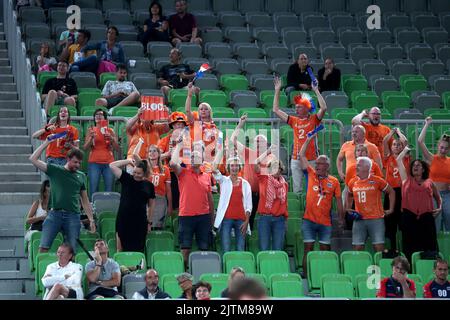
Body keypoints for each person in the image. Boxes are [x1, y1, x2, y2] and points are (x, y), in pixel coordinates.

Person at [29, 143, 96, 253]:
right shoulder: (55, 170)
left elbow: (85, 200)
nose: (78, 165)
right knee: (43, 247)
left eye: (79, 162)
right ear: (67, 159)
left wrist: (91, 219)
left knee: (72, 250)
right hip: (54, 214)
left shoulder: (81, 176)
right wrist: (46, 142)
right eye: (75, 162)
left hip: (73, 216)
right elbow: (33, 159)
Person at [273, 76, 327, 194]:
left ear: (307, 108)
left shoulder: (314, 119)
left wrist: (316, 90)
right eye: (295, 107)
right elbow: (276, 110)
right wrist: (277, 90)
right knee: (297, 190)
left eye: (299, 107)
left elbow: (323, 108)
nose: (296, 110)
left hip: (312, 159)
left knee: (313, 189)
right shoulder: (293, 120)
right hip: (296, 159)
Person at [299, 133, 344, 276]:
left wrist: (341, 218)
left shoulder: (334, 181)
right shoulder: (311, 174)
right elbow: (301, 155)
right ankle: (306, 277)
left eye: (319, 163)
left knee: (325, 250)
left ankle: (327, 274)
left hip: (325, 222)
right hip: (309, 220)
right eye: (316, 163)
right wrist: (308, 140)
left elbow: (338, 201)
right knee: (308, 249)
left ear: (327, 166)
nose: (316, 165)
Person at [170, 137, 214, 266]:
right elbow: (172, 163)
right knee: (185, 249)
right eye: (193, 156)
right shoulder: (183, 172)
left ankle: (202, 275)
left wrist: (211, 218)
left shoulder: (206, 175)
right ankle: (185, 275)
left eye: (198, 156)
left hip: (204, 216)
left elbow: (209, 198)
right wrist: (179, 146)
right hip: (186, 216)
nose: (195, 158)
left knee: (204, 249)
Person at [229, 115, 276, 230]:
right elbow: (233, 140)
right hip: (249, 192)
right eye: (257, 142)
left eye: (261, 142)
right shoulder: (248, 153)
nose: (259, 144)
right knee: (246, 221)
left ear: (266, 144)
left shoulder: (271, 157)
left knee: (262, 223)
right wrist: (240, 124)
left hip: (264, 195)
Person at [397, 146, 442, 261]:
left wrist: (440, 208)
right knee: (409, 247)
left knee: (429, 247)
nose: (415, 167)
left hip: (426, 218)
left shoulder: (429, 182)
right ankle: (411, 270)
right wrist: (405, 150)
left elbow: (438, 198)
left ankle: (429, 269)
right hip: (409, 218)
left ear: (423, 169)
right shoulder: (406, 180)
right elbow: (398, 160)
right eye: (414, 165)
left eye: (418, 165)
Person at [346, 157, 395, 252]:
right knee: (357, 248)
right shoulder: (352, 182)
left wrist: (391, 209)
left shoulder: (377, 180)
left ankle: (379, 266)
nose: (356, 167)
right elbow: (349, 194)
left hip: (376, 219)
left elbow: (391, 191)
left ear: (367, 167)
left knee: (379, 248)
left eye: (359, 165)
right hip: (359, 220)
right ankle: (359, 267)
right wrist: (348, 208)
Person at [109, 158, 156, 252]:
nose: (136, 175)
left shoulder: (149, 185)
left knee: (138, 250)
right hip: (123, 219)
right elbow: (112, 165)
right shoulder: (126, 178)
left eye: (139, 173)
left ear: (144, 174)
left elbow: (151, 205)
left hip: (140, 221)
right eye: (134, 172)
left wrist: (149, 223)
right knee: (120, 249)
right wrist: (128, 161)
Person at [212, 156, 252, 252]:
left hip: (241, 220)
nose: (234, 168)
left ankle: (239, 267)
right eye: (232, 166)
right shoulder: (223, 181)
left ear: (239, 168)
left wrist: (246, 222)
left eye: (236, 166)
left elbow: (249, 206)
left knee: (240, 249)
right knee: (225, 248)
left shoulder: (245, 183)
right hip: (226, 219)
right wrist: (221, 151)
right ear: (228, 168)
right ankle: (225, 267)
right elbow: (213, 168)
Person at [418, 117, 450, 232]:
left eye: (446, 148)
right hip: (432, 195)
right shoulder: (432, 158)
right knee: (435, 224)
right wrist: (427, 124)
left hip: (447, 195)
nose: (443, 150)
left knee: (449, 224)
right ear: (438, 146)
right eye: (441, 147)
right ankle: (434, 249)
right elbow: (420, 141)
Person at [255, 148, 289, 251]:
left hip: (279, 219)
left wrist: (285, 218)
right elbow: (256, 162)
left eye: (278, 167)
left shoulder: (284, 184)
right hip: (265, 218)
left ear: (281, 169)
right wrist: (267, 151)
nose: (276, 169)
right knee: (264, 248)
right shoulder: (264, 179)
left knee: (278, 249)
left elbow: (285, 203)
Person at [133, 142, 172, 229]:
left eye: (154, 151)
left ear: (159, 154)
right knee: (144, 225)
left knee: (157, 226)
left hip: (160, 200)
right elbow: (135, 155)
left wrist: (170, 205)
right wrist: (140, 142)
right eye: (150, 151)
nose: (152, 153)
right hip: (146, 198)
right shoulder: (145, 166)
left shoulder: (165, 169)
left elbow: (168, 190)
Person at [83, 108, 120, 199]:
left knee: (109, 189)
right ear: (94, 118)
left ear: (105, 118)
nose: (98, 116)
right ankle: (92, 209)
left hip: (109, 163)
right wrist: (91, 139)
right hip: (94, 162)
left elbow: (117, 148)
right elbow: (85, 148)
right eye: (96, 115)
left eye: (101, 114)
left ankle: (107, 209)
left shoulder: (110, 130)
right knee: (93, 188)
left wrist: (111, 139)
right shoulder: (91, 130)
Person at [382, 128, 409, 251]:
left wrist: (399, 132)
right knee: (390, 222)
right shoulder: (388, 158)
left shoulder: (406, 157)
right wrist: (392, 132)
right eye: (394, 144)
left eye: (399, 145)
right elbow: (384, 141)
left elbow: (405, 141)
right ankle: (392, 249)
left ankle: (404, 249)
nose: (397, 146)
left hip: (403, 192)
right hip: (390, 192)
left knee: (403, 223)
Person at [158, 111, 189, 210]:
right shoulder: (165, 140)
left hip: (184, 172)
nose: (180, 126)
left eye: (182, 125)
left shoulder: (189, 140)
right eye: (177, 124)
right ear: (173, 126)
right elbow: (154, 156)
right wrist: (167, 154)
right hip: (169, 173)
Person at [185, 82, 219, 163]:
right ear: (198, 111)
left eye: (206, 109)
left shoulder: (214, 127)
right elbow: (187, 110)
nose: (203, 110)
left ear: (210, 111)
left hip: (209, 157)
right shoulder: (195, 121)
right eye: (201, 109)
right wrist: (189, 96)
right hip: (194, 155)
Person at [25, 180, 50, 244]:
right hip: (36, 229)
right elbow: (27, 221)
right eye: (49, 192)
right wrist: (40, 218)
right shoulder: (37, 203)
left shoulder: (56, 205)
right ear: (44, 192)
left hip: (49, 229)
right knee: (37, 236)